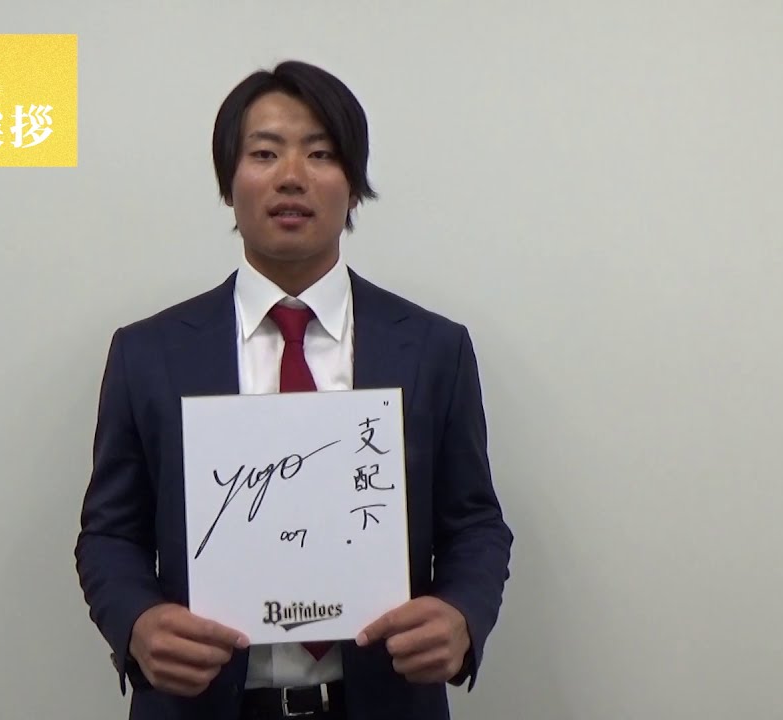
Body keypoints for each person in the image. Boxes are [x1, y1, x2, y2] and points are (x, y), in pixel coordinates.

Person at [74, 59, 512, 720]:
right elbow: (110, 534)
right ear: (229, 184)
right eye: (264, 153)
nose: (291, 176)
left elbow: (475, 523)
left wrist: (461, 614)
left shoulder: (433, 349)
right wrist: (137, 622)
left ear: (353, 186)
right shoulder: (148, 353)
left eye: (320, 153)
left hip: (384, 702)